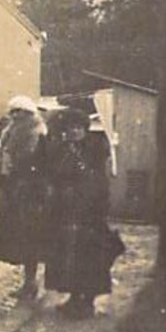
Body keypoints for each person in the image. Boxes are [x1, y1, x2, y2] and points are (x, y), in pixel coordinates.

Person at [44, 105, 124, 319]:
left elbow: (99, 182)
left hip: (90, 214)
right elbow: (54, 177)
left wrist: (94, 204)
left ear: (85, 129)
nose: (74, 132)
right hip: (66, 212)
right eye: (70, 128)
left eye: (78, 128)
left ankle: (86, 302)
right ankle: (74, 299)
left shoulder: (93, 151)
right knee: (68, 258)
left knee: (89, 258)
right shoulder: (61, 151)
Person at [0, 95, 48, 300]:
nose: (15, 116)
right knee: (21, 239)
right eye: (13, 112)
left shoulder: (36, 132)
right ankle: (29, 282)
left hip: (30, 193)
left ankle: (31, 283)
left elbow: (34, 163)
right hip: (14, 191)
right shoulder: (11, 133)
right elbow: (1, 157)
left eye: (19, 112)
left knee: (30, 239)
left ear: (28, 113)